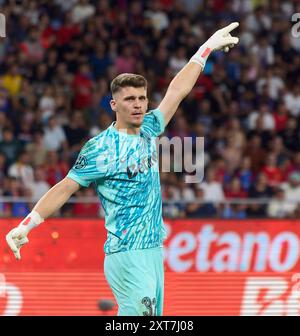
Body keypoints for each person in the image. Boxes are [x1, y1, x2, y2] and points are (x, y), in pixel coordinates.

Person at [5, 22, 239, 316]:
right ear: (114, 104)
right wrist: (26, 225)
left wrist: (205, 49)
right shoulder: (99, 148)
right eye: (130, 99)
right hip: (126, 253)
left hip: (153, 250)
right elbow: (65, 186)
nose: (139, 105)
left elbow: (177, 90)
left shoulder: (150, 127)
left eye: (142, 98)